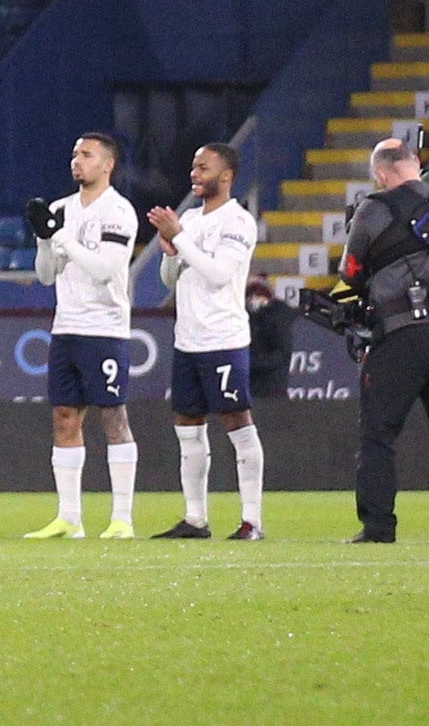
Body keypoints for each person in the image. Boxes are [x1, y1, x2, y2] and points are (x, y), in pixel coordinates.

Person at [339, 129, 429, 545]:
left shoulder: (373, 208)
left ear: (383, 175)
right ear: (414, 166)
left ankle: (379, 526)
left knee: (379, 432)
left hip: (403, 329)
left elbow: (349, 272)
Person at [147, 142, 265, 540]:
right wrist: (168, 251)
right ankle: (195, 519)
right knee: (188, 428)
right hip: (188, 340)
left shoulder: (237, 221)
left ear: (226, 176)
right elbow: (171, 280)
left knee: (237, 423)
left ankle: (252, 520)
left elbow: (217, 275)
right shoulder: (191, 220)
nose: (195, 173)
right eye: (194, 167)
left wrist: (178, 239)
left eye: (204, 167)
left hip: (223, 338)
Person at [32, 132, 142, 539]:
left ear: (107, 165)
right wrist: (44, 241)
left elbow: (103, 269)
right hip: (67, 328)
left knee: (114, 418)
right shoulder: (61, 209)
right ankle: (69, 518)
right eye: (75, 153)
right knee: (64, 418)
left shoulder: (119, 212)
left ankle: (122, 519)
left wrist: (59, 237)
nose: (76, 161)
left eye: (86, 155)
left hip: (105, 329)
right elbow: (45, 275)